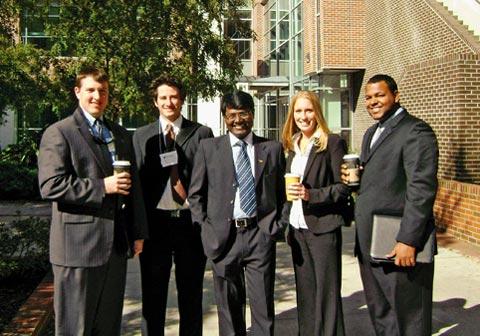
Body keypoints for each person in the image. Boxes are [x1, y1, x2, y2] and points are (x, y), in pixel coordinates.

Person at [38, 66, 148, 335]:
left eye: (103, 91)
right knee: (76, 328)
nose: (97, 96)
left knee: (108, 327)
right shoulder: (59, 133)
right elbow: (51, 186)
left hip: (115, 248)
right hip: (77, 249)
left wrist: (138, 232)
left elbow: (134, 188)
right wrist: (103, 186)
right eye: (90, 90)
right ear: (78, 92)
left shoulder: (121, 134)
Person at [343, 74, 438, 336]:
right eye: (369, 97)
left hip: (399, 244)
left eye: (380, 95)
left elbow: (422, 189)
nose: (373, 102)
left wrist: (409, 240)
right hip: (370, 244)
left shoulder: (415, 131)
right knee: (382, 316)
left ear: (396, 95)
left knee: (410, 321)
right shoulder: (372, 133)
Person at [188, 90, 286, 336]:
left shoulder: (272, 149)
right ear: (224, 117)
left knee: (263, 307)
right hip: (223, 238)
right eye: (232, 115)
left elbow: (282, 193)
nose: (238, 120)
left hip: (260, 235)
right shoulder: (208, 148)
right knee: (228, 312)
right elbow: (196, 195)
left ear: (252, 115)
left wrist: (277, 226)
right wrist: (205, 230)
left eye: (243, 114)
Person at [132, 76, 213, 335]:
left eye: (174, 97)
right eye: (163, 97)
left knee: (191, 296)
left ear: (182, 99)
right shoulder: (142, 137)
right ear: (155, 101)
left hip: (190, 225)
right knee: (153, 296)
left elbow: (211, 180)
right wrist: (137, 230)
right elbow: (137, 187)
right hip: (156, 226)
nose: (169, 102)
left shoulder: (201, 134)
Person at [280, 91, 349, 336]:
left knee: (327, 294)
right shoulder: (292, 145)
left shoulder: (332, 143)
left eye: (308, 110)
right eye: (298, 111)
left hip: (323, 228)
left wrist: (313, 195)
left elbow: (343, 189)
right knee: (306, 293)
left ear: (317, 112)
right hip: (298, 231)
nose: (303, 116)